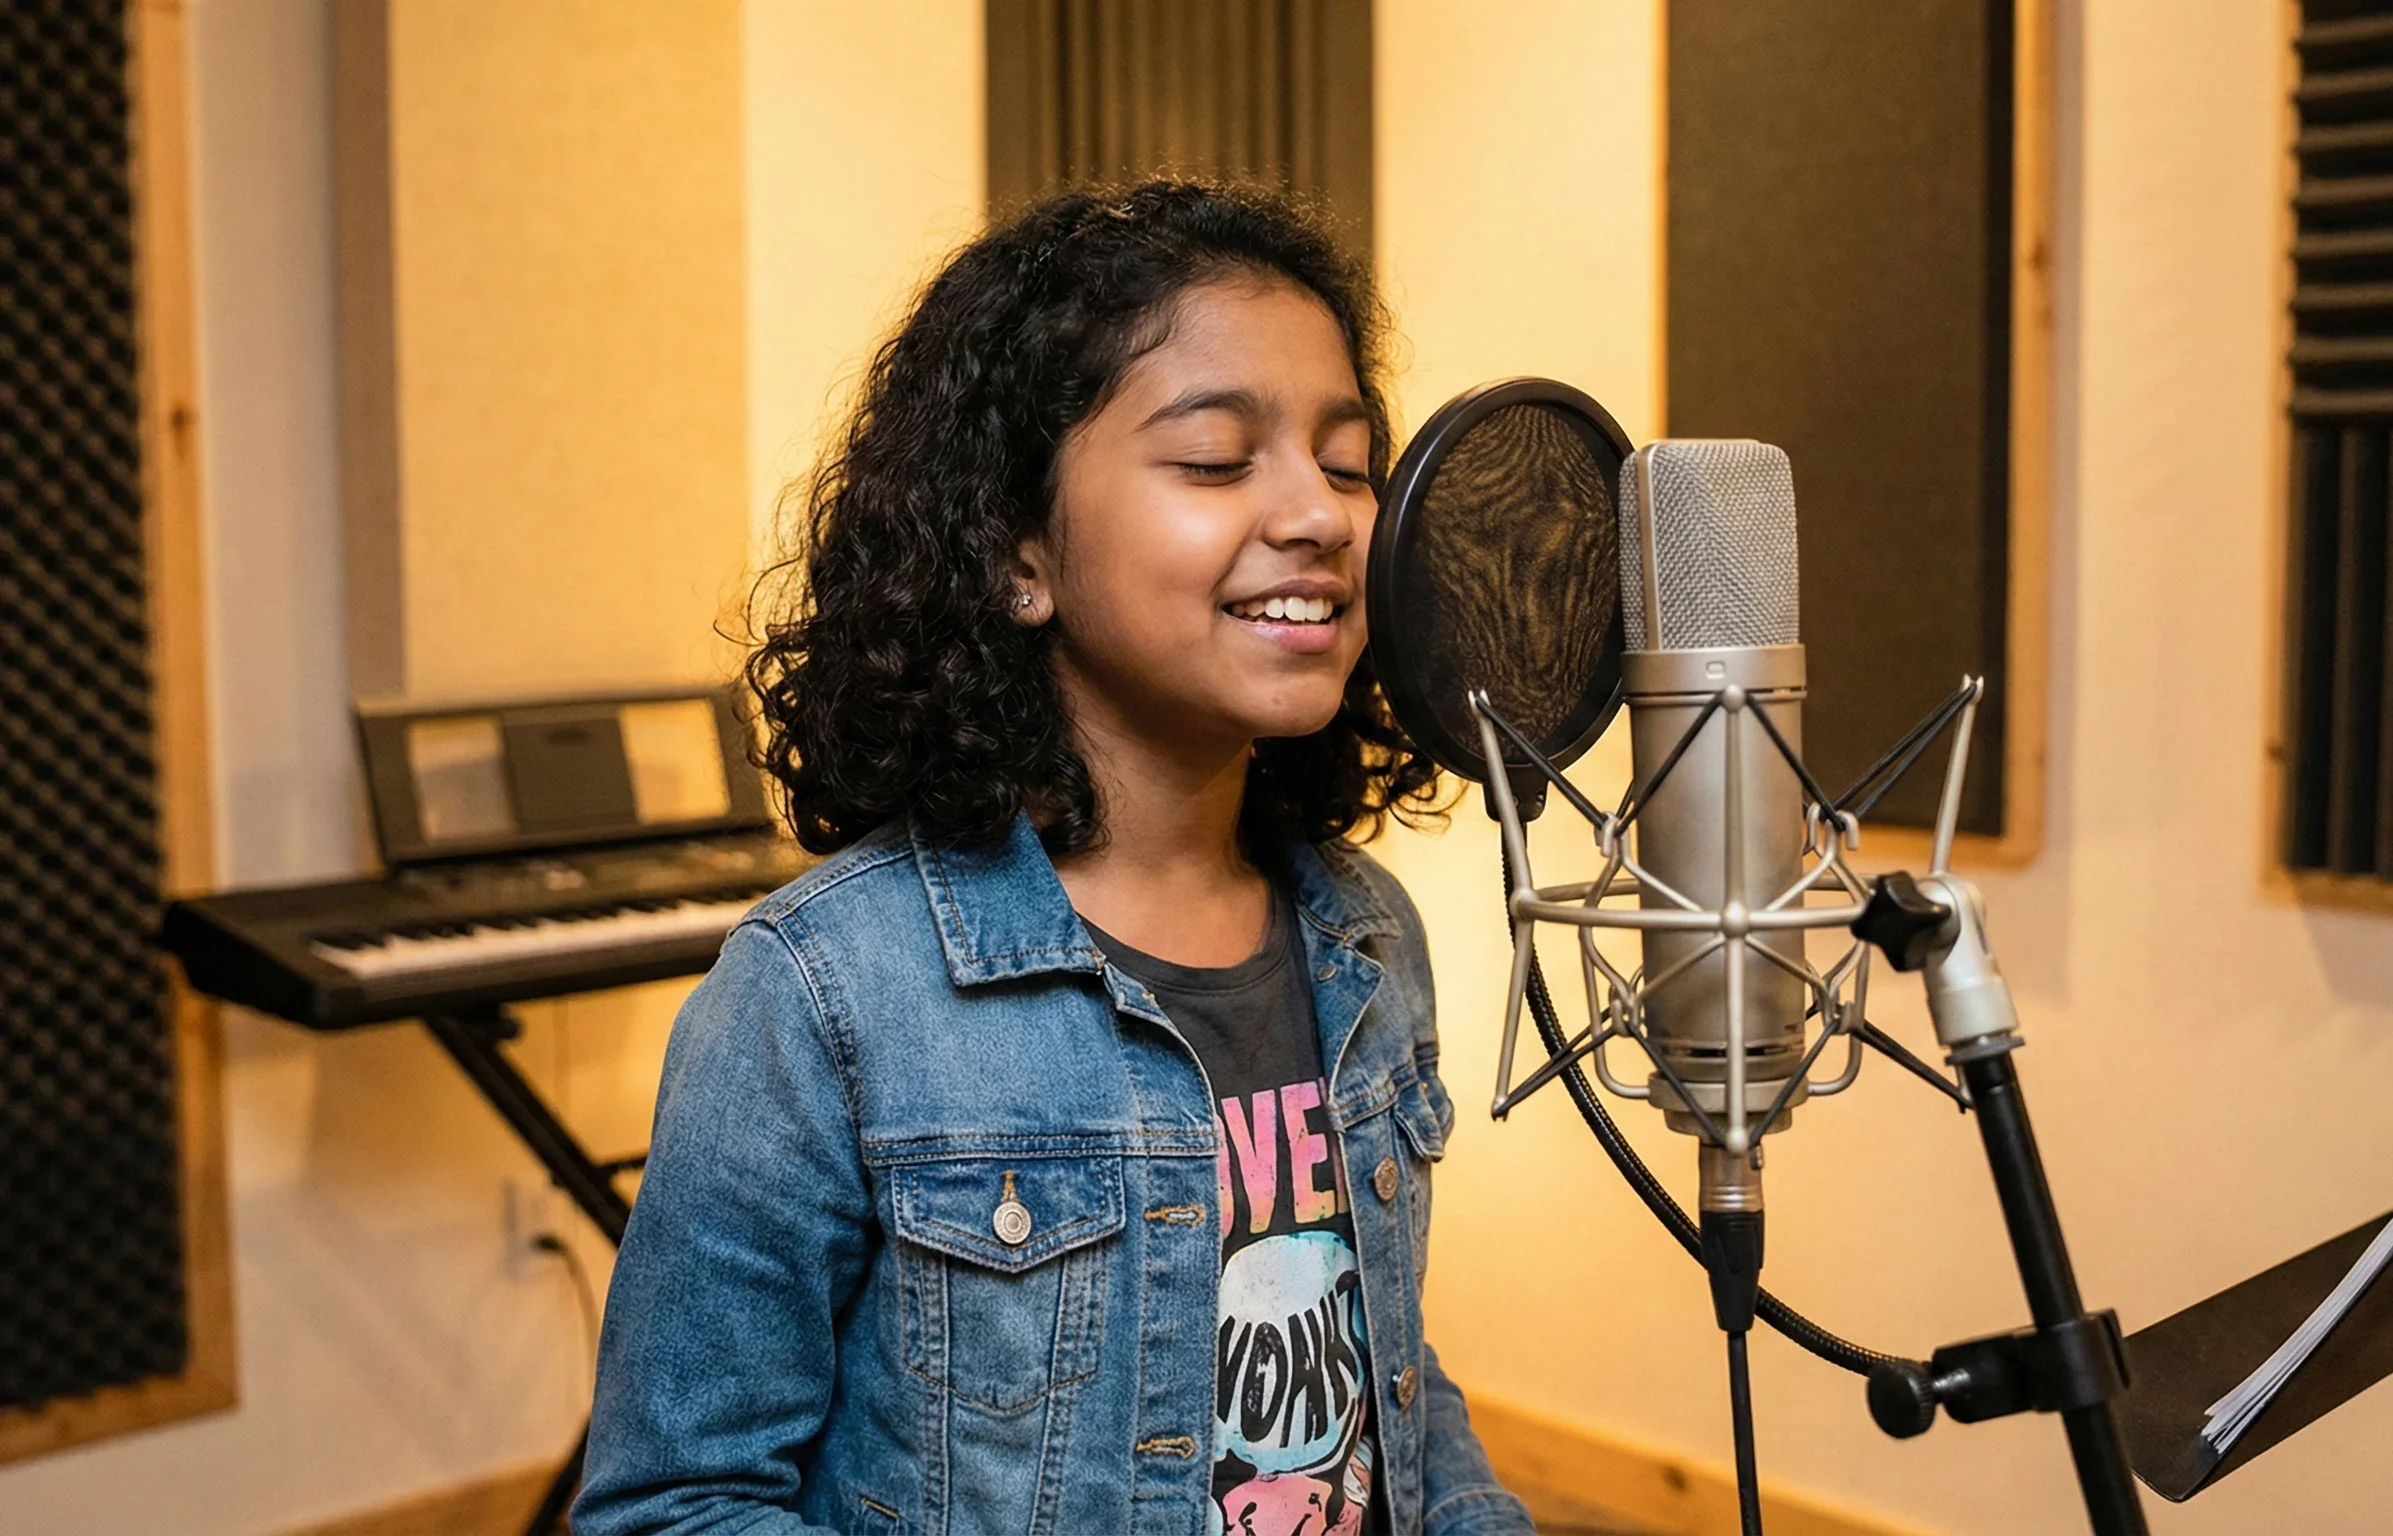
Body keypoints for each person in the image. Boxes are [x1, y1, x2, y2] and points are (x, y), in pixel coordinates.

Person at [575, 179, 1535, 1536]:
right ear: (1020, 553)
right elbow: (675, 1507)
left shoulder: (1368, 934)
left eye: (1345, 459)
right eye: (1216, 459)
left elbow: (1380, 1364)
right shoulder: (819, 999)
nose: (1317, 513)